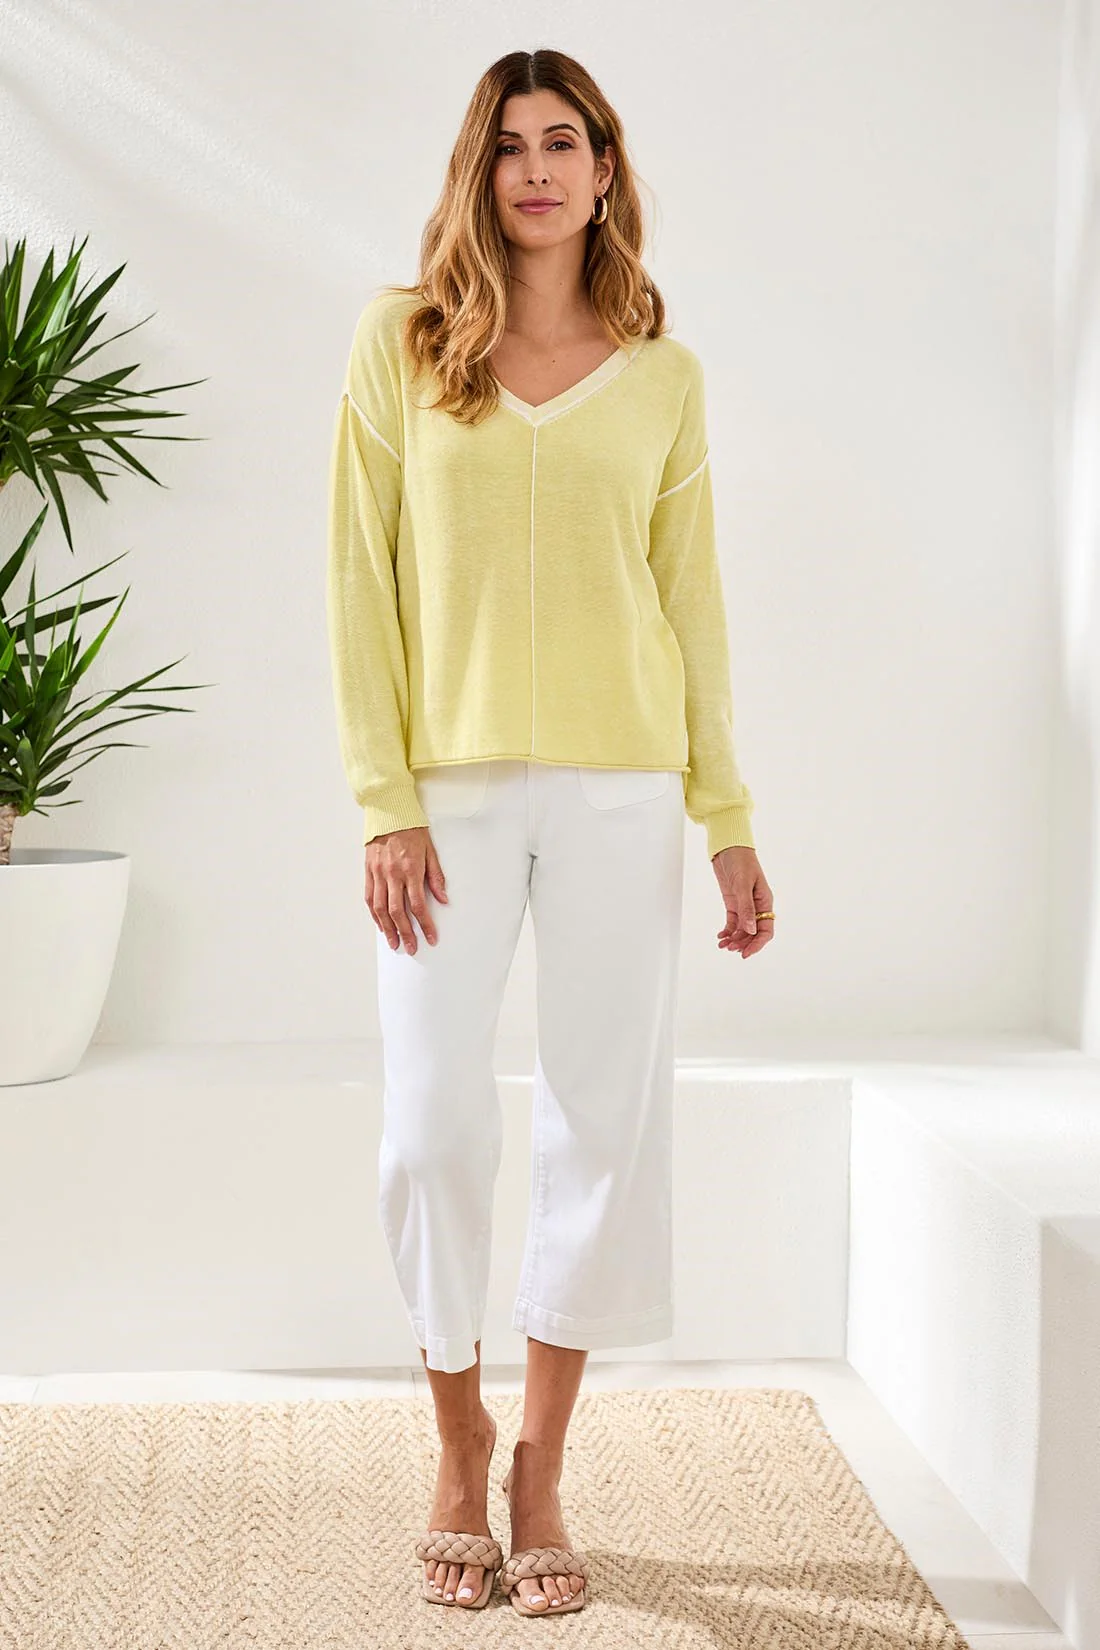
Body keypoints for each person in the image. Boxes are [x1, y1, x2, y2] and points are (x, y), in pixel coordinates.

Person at [326, 46, 776, 1619]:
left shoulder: (662, 374)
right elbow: (357, 580)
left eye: (563, 141)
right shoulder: (402, 345)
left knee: (602, 1119)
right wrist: (382, 797)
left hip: (620, 789)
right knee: (430, 1124)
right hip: (443, 796)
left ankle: (539, 1463)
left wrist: (725, 816)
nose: (536, 167)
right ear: (481, 168)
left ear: (603, 168)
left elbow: (693, 603)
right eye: (510, 143)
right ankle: (454, 1438)